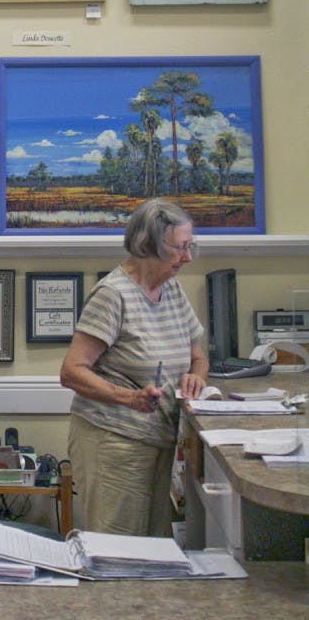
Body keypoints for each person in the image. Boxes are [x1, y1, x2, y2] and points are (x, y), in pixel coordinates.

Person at [60, 198, 208, 537]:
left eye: (191, 247)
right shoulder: (113, 295)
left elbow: (199, 356)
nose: (187, 257)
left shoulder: (171, 289)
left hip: (158, 440)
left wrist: (195, 378)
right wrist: (129, 398)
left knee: (154, 546)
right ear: (147, 246)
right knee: (119, 550)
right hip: (114, 442)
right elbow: (71, 371)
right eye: (180, 248)